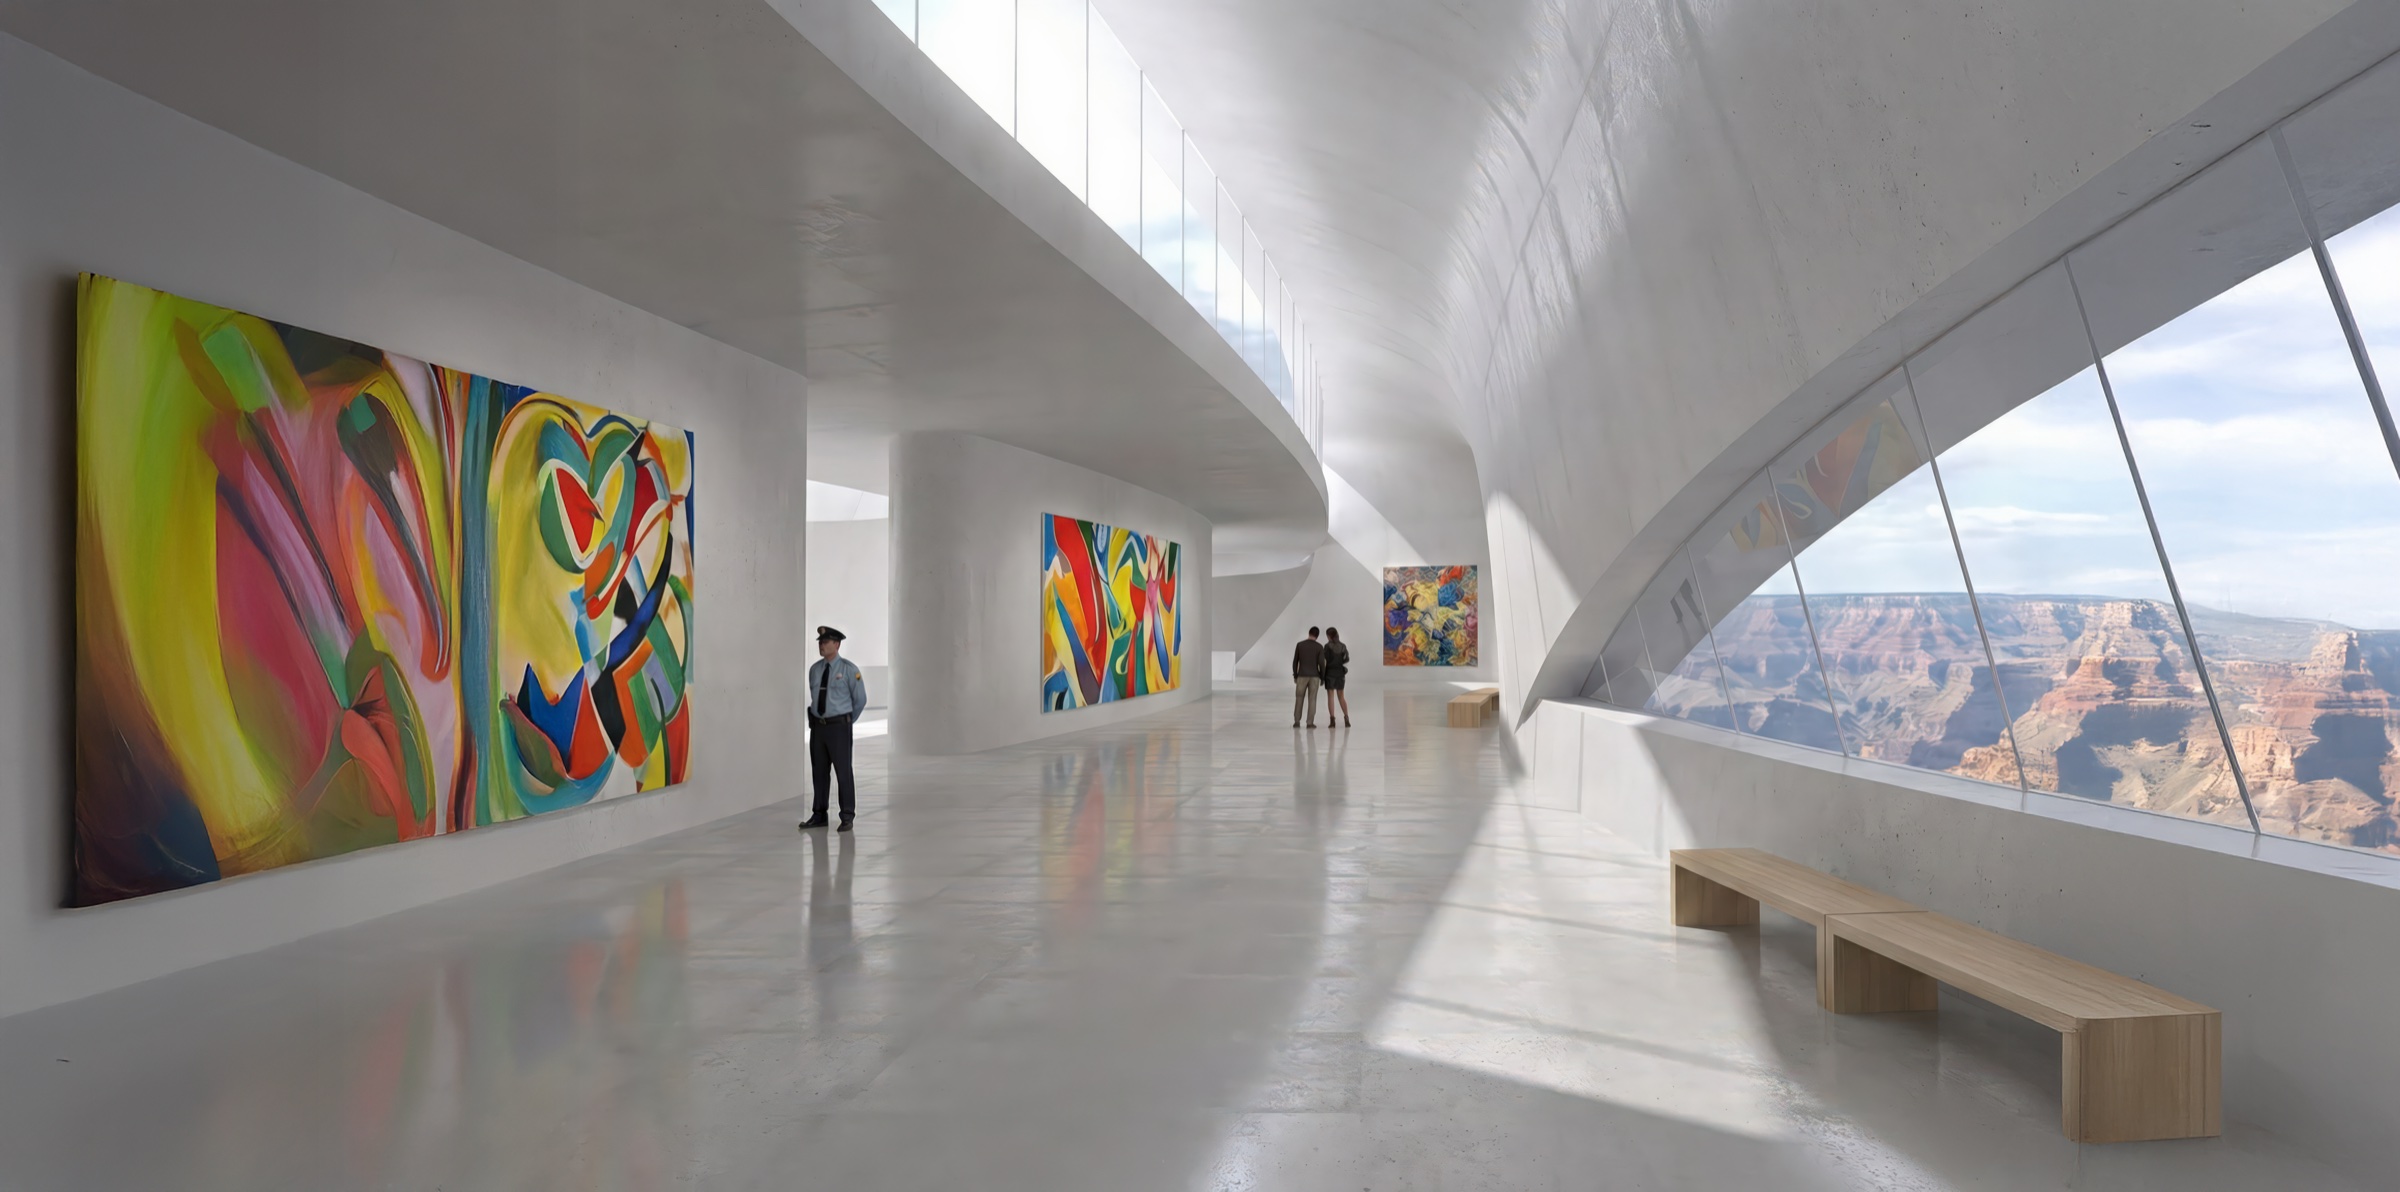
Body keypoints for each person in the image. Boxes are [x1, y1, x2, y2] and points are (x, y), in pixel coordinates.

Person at [802, 626, 869, 832]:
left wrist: (846, 721)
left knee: (843, 772)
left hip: (839, 727)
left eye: (826, 642)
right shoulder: (815, 670)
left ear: (837, 644)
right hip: (818, 728)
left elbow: (860, 700)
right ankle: (819, 814)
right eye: (820, 642)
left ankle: (847, 815)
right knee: (819, 772)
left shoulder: (849, 670)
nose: (821, 645)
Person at [1292, 626, 1326, 729]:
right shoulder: (1319, 647)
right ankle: (1310, 723)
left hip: (1302, 675)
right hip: (1314, 676)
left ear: (1309, 633)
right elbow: (1322, 664)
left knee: (1299, 698)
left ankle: (1297, 722)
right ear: (1317, 636)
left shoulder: (1300, 645)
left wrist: (1295, 674)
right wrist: (1322, 677)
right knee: (1312, 699)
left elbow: (1295, 661)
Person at [1322, 626, 1353, 727]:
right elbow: (1346, 659)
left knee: (1330, 697)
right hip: (1340, 673)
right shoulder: (1343, 646)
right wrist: (1341, 665)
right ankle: (1346, 718)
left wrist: (1322, 674)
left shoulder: (1327, 646)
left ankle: (1332, 721)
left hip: (1330, 673)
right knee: (1341, 697)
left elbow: (1324, 660)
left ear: (1329, 636)